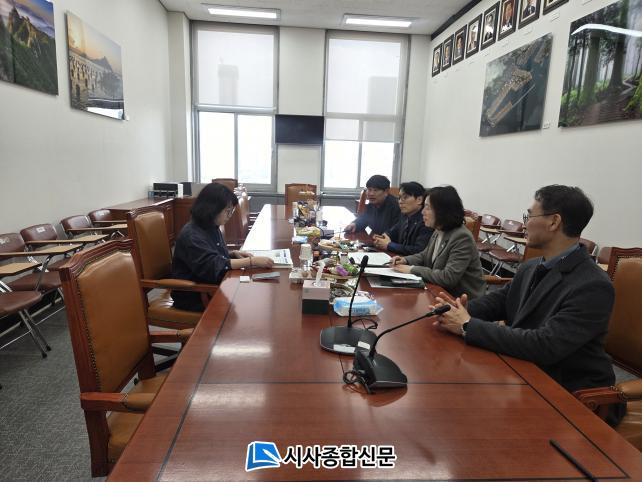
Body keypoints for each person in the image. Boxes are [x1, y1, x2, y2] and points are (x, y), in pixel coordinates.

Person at [431, 185, 624, 426]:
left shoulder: (593, 285)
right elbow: (500, 301)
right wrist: (454, 310)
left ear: (554, 222)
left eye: (529, 216)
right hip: (524, 371)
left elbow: (545, 345)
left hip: (571, 395)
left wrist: (467, 325)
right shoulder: (532, 266)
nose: (524, 225)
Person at [171, 183, 273, 311]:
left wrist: (231, 254)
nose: (230, 215)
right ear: (211, 209)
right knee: (251, 305)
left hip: (213, 285)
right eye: (227, 211)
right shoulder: (192, 235)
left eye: (232, 211)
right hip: (196, 294)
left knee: (255, 297)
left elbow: (211, 255)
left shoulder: (210, 226)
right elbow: (213, 266)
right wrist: (251, 261)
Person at [390, 186, 485, 299]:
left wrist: (412, 269)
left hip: (461, 300)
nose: (422, 212)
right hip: (439, 292)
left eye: (427, 207)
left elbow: (448, 278)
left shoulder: (462, 237)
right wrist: (406, 260)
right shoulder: (439, 230)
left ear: (442, 211)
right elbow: (425, 255)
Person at [372, 182, 433, 255]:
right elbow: (394, 230)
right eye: (399, 198)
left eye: (405, 197)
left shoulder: (426, 220)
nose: (400, 202)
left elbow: (418, 250)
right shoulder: (404, 215)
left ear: (419, 200)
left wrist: (389, 245)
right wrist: (383, 237)